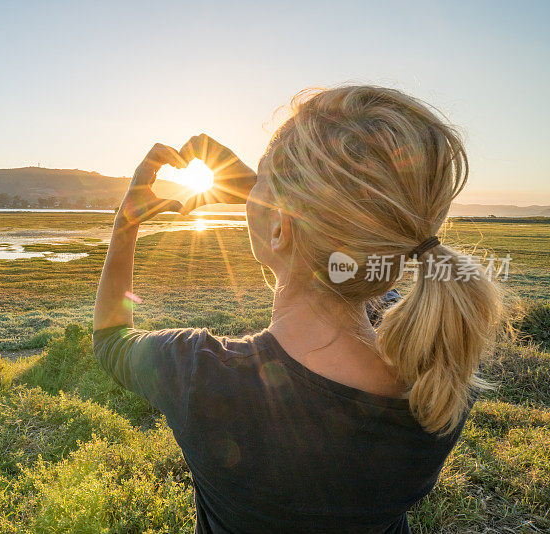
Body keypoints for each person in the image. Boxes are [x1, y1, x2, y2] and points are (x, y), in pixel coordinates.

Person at [92, 86, 502, 533]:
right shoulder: (441, 367)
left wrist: (125, 224)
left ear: (279, 230)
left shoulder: (199, 375)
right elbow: (348, 252)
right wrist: (271, 194)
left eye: (264, 184)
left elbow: (111, 338)